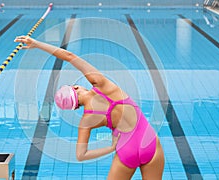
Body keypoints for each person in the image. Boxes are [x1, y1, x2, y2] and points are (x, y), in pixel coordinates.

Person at [14, 36, 165, 179]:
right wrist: (36, 44)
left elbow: (81, 155)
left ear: (74, 107)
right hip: (150, 142)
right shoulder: (102, 84)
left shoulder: (86, 121)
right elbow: (69, 55)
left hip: (127, 151)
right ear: (76, 87)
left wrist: (111, 148)